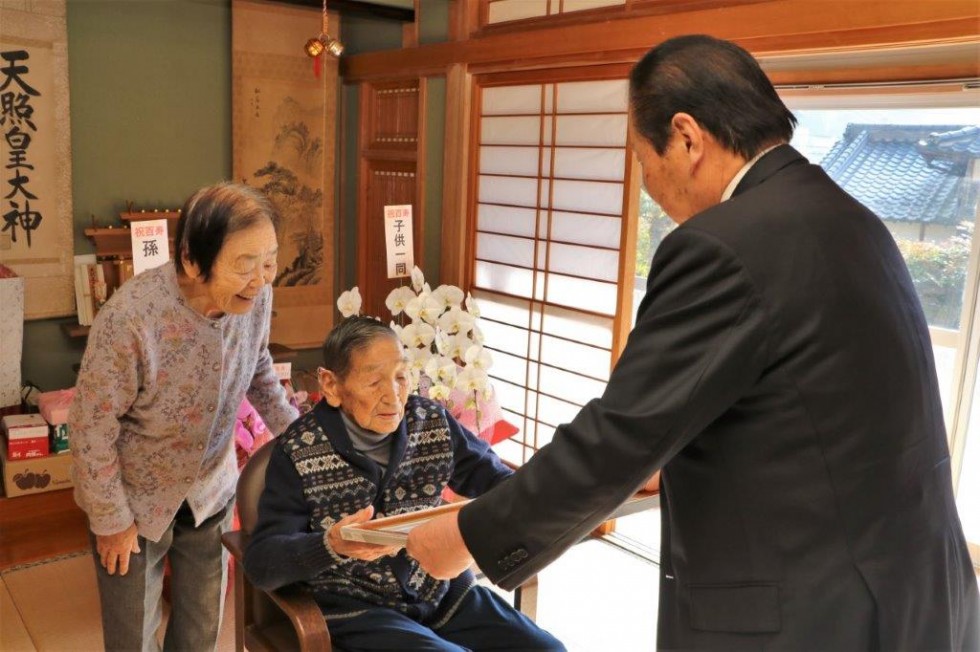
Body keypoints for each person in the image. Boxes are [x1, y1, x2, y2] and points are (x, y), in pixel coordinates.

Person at [406, 34, 980, 651]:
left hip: (810, 614)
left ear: (685, 136)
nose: (647, 181)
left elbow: (617, 436)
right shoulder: (851, 218)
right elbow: (807, 409)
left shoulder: (722, 245)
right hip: (913, 593)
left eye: (641, 157)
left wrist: (466, 535)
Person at [69, 182, 299, 651]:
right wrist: (111, 520)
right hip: (134, 501)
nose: (261, 279)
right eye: (245, 265)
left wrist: (300, 437)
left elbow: (257, 368)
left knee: (200, 629)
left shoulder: (254, 297)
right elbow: (91, 427)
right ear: (193, 261)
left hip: (210, 490)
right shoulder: (130, 319)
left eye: (270, 261)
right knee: (134, 635)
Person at [243, 316, 564, 651]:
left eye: (400, 377)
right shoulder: (298, 449)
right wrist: (332, 545)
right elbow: (263, 563)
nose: (393, 397)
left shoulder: (430, 421)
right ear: (331, 386)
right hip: (357, 609)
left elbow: (494, 480)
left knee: (546, 649)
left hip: (442, 593)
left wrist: (543, 495)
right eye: (373, 382)